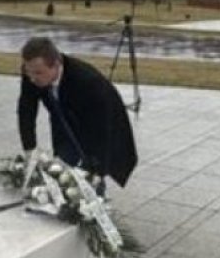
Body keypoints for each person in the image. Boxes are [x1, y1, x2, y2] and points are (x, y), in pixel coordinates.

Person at [17, 37, 137, 188]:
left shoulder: (88, 82)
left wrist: (97, 171)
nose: (32, 78)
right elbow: (26, 109)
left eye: (38, 73)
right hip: (65, 121)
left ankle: (95, 204)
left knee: (90, 179)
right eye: (28, 72)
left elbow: (102, 130)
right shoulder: (32, 73)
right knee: (62, 172)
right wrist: (30, 149)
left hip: (98, 125)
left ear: (55, 65)